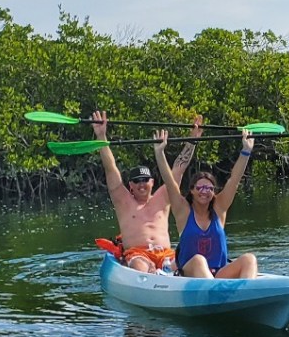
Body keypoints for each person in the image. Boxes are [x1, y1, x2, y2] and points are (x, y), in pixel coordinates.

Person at [92, 110, 200, 273]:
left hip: (166, 255)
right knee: (140, 266)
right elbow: (110, 168)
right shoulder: (123, 200)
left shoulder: (164, 196)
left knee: (190, 260)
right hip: (138, 254)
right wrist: (101, 136)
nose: (141, 184)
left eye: (145, 180)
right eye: (137, 181)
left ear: (152, 182)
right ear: (131, 186)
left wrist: (193, 140)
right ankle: (154, 277)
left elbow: (179, 168)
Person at [153, 128, 259, 279]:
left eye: (209, 188)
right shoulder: (183, 210)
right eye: (200, 187)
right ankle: (215, 294)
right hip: (190, 274)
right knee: (199, 260)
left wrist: (246, 151)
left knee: (250, 259)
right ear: (192, 191)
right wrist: (159, 153)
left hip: (219, 274)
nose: (205, 191)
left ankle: (248, 293)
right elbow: (170, 182)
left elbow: (234, 180)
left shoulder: (219, 208)